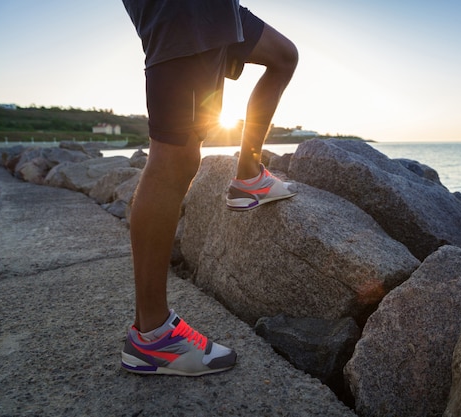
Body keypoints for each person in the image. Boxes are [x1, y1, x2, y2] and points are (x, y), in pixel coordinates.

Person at [120, 0, 298, 376]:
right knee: (176, 157)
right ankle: (152, 338)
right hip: (181, 10)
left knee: (283, 56)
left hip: (218, 10)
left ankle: (249, 176)